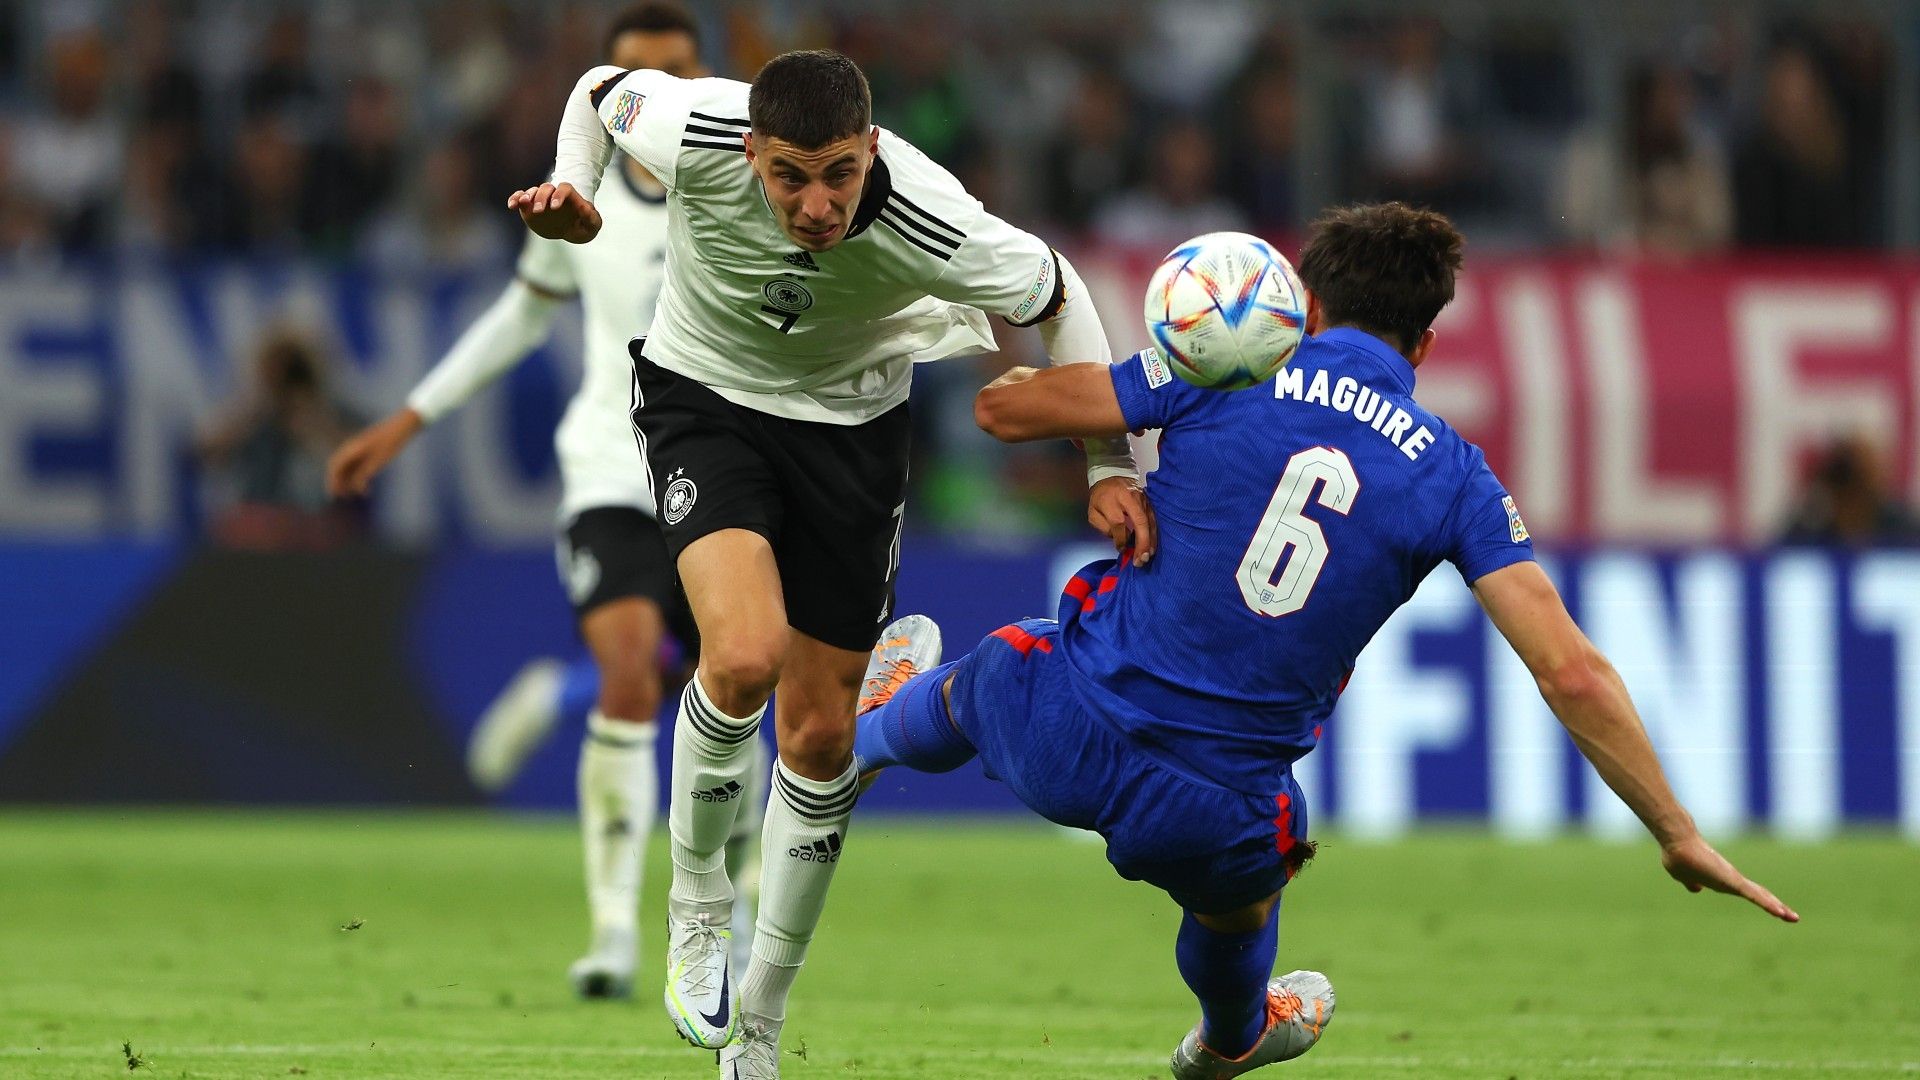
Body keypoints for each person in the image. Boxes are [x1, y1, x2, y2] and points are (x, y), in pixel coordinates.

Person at [852, 203, 1798, 1079]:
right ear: (1426, 341)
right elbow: (1571, 672)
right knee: (1243, 899)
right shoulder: (1456, 479)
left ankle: (863, 737)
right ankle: (1229, 1037)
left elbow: (1002, 410)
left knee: (994, 669)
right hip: (1216, 812)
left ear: (1304, 303)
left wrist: (1111, 457)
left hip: (1068, 726)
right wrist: (1675, 832)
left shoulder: (1224, 366)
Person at [510, 46, 1151, 1076]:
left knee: (817, 738)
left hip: (852, 435)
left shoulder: (928, 215)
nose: (816, 204)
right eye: (792, 176)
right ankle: (696, 912)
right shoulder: (696, 128)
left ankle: (758, 1024)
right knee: (744, 654)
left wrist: (1109, 459)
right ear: (753, 150)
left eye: (839, 174)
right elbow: (593, 89)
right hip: (703, 401)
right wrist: (577, 188)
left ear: (870, 150)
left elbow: (1058, 291)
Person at [325, 3, 765, 999]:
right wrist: (407, 420)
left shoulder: (755, 195)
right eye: (635, 78)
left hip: (730, 477)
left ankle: (727, 909)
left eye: (676, 71)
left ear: (705, 82)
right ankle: (612, 932)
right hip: (612, 468)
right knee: (627, 674)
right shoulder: (577, 206)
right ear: (609, 98)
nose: (658, 94)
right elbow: (525, 312)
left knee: (731, 696)